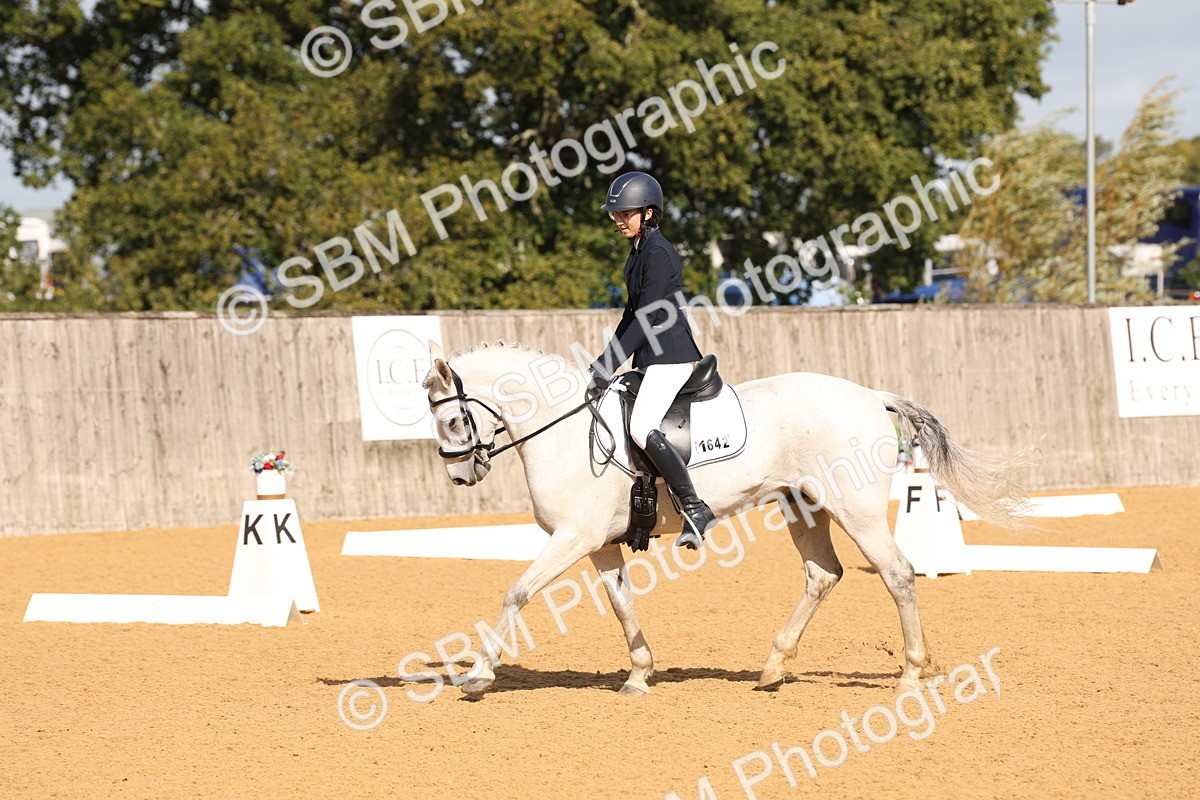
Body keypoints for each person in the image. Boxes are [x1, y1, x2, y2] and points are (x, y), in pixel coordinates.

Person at [588, 171, 715, 550]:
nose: (618, 219)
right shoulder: (638, 252)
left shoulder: (659, 254)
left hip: (671, 357)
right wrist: (603, 362)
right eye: (616, 214)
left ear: (648, 212)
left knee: (641, 426)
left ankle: (694, 506)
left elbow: (647, 317)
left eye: (625, 213)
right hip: (649, 359)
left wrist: (608, 364)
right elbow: (630, 315)